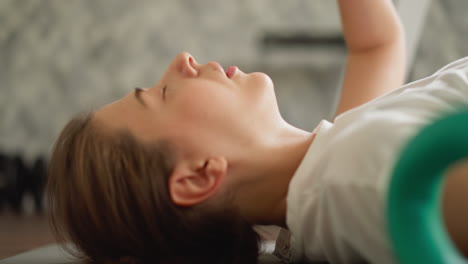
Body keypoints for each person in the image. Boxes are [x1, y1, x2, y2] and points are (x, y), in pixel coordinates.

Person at [46, 0, 468, 263]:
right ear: (198, 174)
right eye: (161, 94)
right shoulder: (354, 181)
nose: (183, 59)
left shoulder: (334, 162)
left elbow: (377, 44)